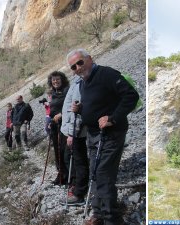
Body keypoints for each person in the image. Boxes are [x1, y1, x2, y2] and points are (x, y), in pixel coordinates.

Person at [67, 49, 139, 225]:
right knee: (95, 174)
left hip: (111, 134)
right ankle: (98, 215)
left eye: (80, 62)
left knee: (103, 175)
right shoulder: (83, 82)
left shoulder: (106, 73)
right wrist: (80, 109)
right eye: (73, 66)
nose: (78, 67)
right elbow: (96, 106)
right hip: (93, 135)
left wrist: (112, 118)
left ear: (90, 59)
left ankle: (112, 220)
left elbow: (131, 96)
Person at [61, 67, 90, 206]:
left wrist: (72, 133)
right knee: (73, 158)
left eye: (77, 67)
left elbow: (76, 110)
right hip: (71, 129)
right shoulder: (77, 82)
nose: (75, 70)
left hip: (75, 131)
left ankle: (79, 194)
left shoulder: (80, 85)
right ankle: (77, 186)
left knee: (79, 161)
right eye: (72, 67)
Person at [47, 71, 70, 185]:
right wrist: (51, 120)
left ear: (62, 79)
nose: (55, 81)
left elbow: (71, 105)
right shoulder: (54, 93)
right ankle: (61, 174)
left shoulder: (67, 90)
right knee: (57, 150)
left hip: (65, 124)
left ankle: (69, 175)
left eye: (57, 79)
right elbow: (52, 110)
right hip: (55, 125)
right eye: (53, 80)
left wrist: (61, 114)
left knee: (64, 151)